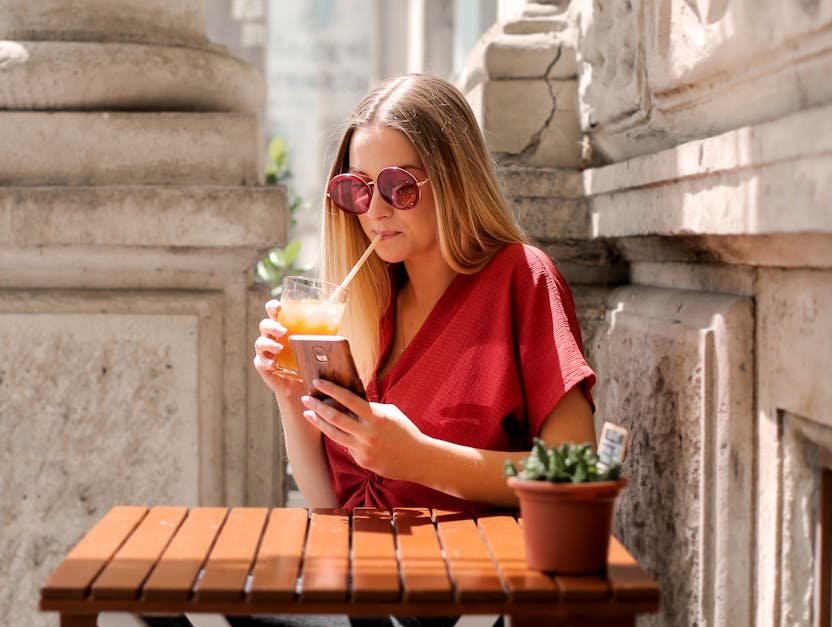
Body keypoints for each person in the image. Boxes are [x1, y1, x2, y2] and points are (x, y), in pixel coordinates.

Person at [253, 73, 596, 513]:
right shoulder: (365, 306)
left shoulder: (521, 279)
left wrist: (423, 460)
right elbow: (331, 506)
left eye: (400, 186)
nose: (376, 210)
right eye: (358, 187)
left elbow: (577, 473)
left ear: (454, 180)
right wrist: (289, 395)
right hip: (363, 570)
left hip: (470, 574)